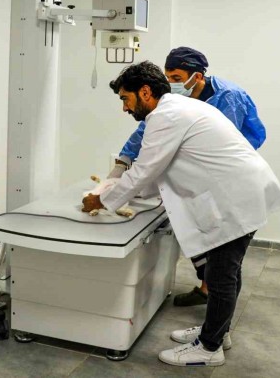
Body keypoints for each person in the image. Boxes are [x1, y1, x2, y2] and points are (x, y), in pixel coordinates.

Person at [83, 61, 280, 367]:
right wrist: (126, 191)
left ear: (145, 92)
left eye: (125, 99)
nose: (124, 107)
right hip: (238, 193)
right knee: (225, 272)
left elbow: (145, 170)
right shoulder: (177, 108)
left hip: (235, 200)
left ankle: (209, 348)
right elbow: (158, 169)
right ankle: (217, 330)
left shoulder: (166, 116)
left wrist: (100, 200)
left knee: (221, 276)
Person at [108, 46, 266, 308]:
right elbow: (148, 127)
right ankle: (209, 291)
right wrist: (123, 160)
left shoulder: (228, 97)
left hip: (226, 177)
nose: (171, 83)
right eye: (168, 76)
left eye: (177, 78)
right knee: (198, 232)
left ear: (197, 76)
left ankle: (212, 307)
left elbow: (223, 145)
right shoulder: (172, 101)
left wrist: (110, 195)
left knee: (222, 254)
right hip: (204, 178)